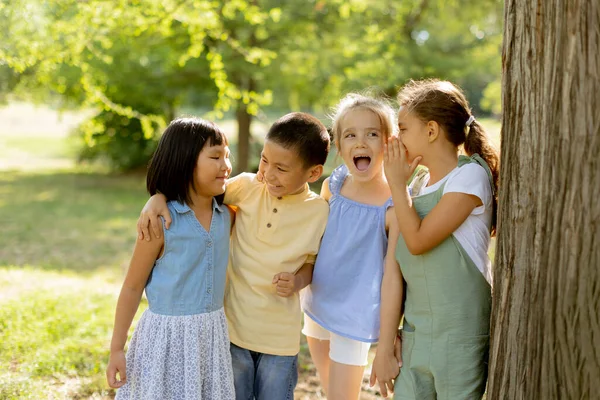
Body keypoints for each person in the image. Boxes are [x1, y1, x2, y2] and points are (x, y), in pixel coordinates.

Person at [137, 112, 330, 400]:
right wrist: (160, 196)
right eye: (264, 160)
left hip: (280, 336)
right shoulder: (247, 186)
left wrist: (299, 279)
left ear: (313, 174)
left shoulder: (319, 212)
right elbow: (196, 194)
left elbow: (312, 263)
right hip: (232, 330)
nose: (268, 173)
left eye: (281, 168)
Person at [375, 79, 500, 399]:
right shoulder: (415, 185)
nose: (395, 138)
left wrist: (396, 187)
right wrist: (386, 346)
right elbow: (394, 268)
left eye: (402, 128)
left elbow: (417, 242)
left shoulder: (469, 177)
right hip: (416, 336)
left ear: (431, 131)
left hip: (459, 338)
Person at [106, 118, 235, 399]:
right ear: (185, 161)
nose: (226, 165)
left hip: (210, 338)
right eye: (215, 156)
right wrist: (117, 348)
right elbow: (131, 286)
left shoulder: (229, 215)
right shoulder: (160, 222)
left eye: (227, 155)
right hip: (165, 342)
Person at [301, 93, 406, 400]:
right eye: (351, 135)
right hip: (317, 302)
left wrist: (386, 345)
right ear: (339, 145)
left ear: (388, 142)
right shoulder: (332, 186)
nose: (361, 143)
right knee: (328, 387)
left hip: (355, 315)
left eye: (372, 134)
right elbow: (314, 243)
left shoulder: (393, 206)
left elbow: (392, 278)